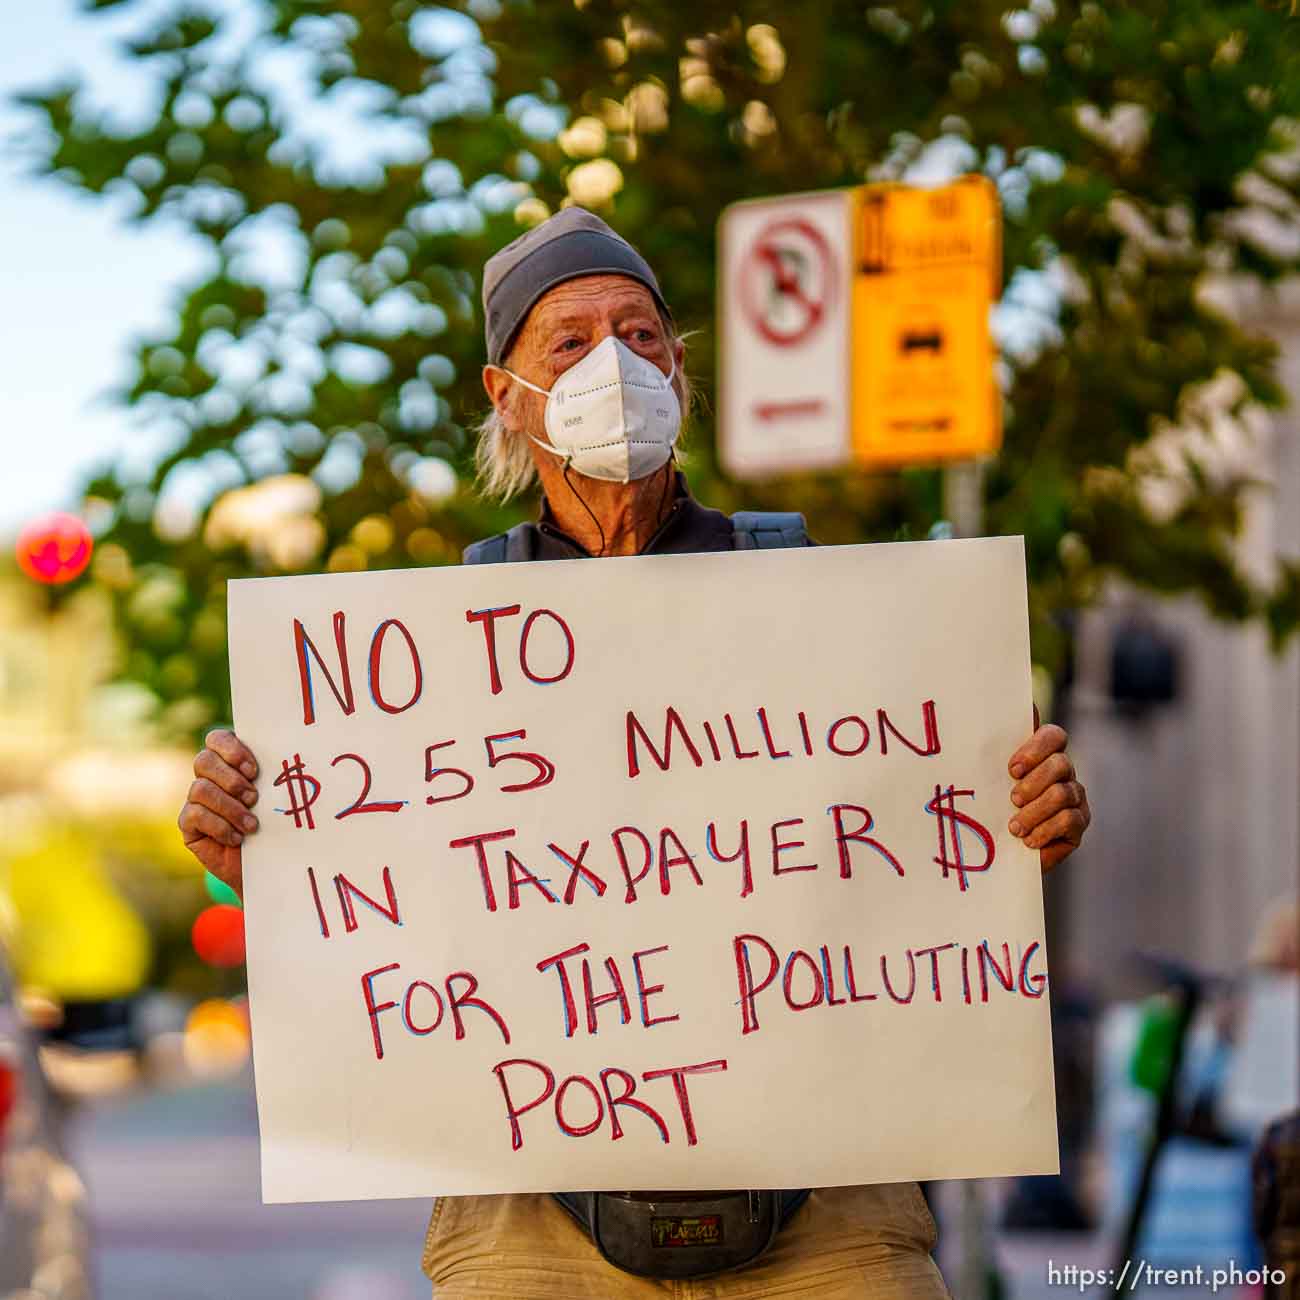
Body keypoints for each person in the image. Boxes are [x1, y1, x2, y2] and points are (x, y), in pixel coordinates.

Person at [179, 208, 1093, 1298]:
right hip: (529, 1225)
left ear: (681, 371)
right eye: (567, 342)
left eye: (642, 335)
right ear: (504, 397)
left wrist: (1023, 825)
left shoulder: (829, 610)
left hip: (831, 1217)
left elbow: (930, 873)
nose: (614, 363)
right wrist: (263, 859)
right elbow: (392, 910)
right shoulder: (429, 661)